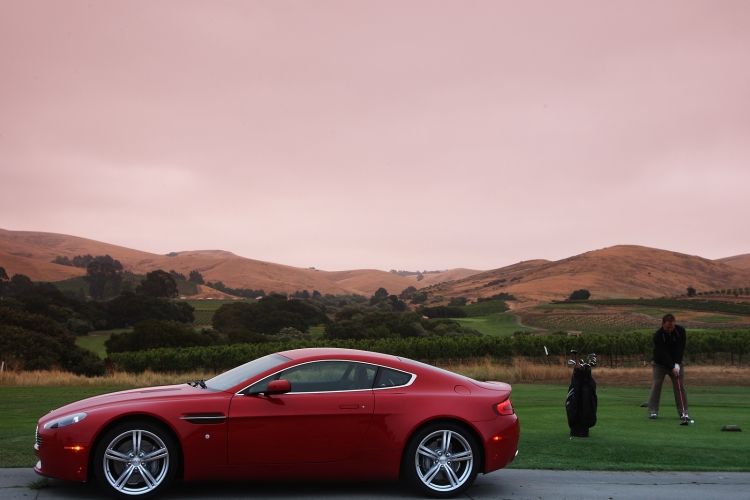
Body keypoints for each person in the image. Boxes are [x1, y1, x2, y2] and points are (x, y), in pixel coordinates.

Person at [647, 313, 689, 420]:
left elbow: (680, 349)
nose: (670, 329)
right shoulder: (658, 335)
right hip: (659, 364)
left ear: (675, 324)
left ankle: (683, 412)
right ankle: (653, 411)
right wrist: (672, 367)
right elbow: (663, 354)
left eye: (672, 327)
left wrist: (677, 364)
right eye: (667, 327)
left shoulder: (680, 331)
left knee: (680, 387)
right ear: (662, 324)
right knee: (657, 385)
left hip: (676, 363)